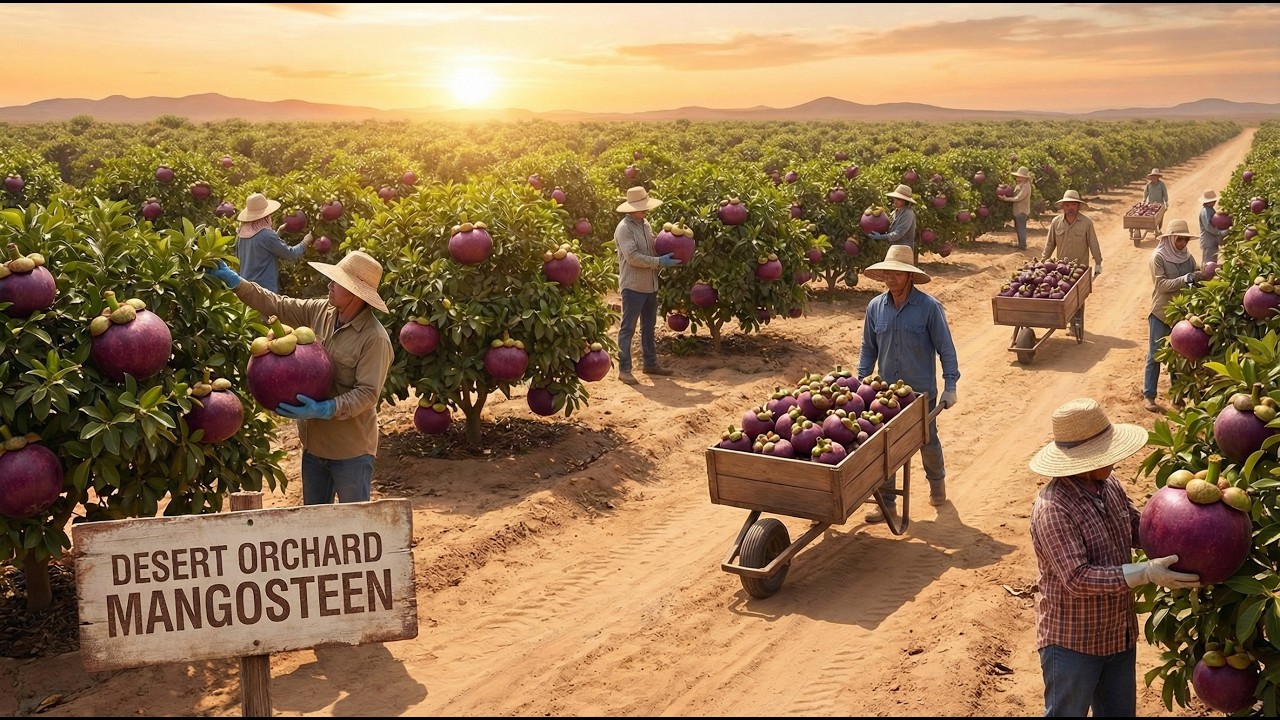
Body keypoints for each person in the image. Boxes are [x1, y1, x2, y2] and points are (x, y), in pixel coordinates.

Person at [1029, 397, 1199, 717]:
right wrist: (1145, 573)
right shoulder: (1053, 509)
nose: (1115, 461)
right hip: (1072, 643)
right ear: (1081, 460)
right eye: (1105, 455)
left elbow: (1139, 530)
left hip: (1118, 634)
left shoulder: (1110, 486)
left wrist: (1189, 523)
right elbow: (1078, 578)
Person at [207, 249, 393, 505]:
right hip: (313, 447)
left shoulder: (375, 338)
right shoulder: (321, 311)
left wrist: (324, 409)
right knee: (314, 527)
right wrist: (238, 283)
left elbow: (367, 394)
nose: (329, 285)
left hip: (350, 452)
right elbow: (279, 304)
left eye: (336, 282)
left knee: (355, 527)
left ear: (354, 293)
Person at [856, 245, 959, 522]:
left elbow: (945, 349)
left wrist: (951, 386)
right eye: (887, 273)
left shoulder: (929, 308)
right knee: (884, 447)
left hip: (920, 393)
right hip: (884, 393)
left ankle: (937, 486)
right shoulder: (875, 307)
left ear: (909, 276)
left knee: (927, 440)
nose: (891, 278)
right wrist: (859, 383)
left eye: (897, 274)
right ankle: (886, 502)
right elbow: (868, 349)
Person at [614, 185, 681, 385]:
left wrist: (673, 245)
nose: (646, 211)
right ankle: (624, 369)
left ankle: (650, 364)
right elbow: (632, 257)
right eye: (642, 207)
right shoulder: (624, 229)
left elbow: (653, 247)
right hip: (633, 286)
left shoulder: (645, 224)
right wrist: (659, 262)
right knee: (628, 328)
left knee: (649, 327)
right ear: (630, 208)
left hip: (650, 285)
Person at [1143, 220, 1202, 413]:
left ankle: (1176, 398)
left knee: (1179, 354)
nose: (1183, 243)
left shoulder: (1187, 256)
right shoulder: (1158, 257)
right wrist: (1185, 279)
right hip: (1161, 312)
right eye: (1180, 240)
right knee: (1155, 354)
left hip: (1182, 313)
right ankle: (1149, 395)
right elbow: (1161, 285)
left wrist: (1205, 274)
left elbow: (1197, 272)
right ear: (1170, 239)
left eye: (1185, 240)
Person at [1043, 189, 1103, 336]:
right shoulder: (1056, 222)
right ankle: (1067, 321)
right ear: (1063, 206)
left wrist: (1098, 262)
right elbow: (1050, 244)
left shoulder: (1086, 223)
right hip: (1060, 269)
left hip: (1079, 269)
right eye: (1067, 204)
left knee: (1078, 299)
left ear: (1078, 206)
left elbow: (1093, 243)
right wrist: (1043, 262)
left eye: (1073, 205)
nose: (1070, 207)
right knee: (1062, 296)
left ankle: (1076, 324)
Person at [235, 192, 313, 293]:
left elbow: (261, 249)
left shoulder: (241, 234)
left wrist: (278, 233)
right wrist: (305, 242)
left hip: (246, 288)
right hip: (263, 292)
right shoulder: (266, 235)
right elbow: (290, 254)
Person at [866, 184, 918, 264]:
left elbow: (898, 234)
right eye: (895, 198)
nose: (895, 201)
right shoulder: (895, 212)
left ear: (905, 201)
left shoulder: (908, 214)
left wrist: (881, 237)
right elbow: (888, 228)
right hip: (893, 251)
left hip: (903, 252)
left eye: (899, 199)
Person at [998, 166, 1033, 250]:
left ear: (1024, 177)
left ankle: (1022, 245)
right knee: (1018, 227)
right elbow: (1013, 193)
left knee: (1021, 228)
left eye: (1019, 176)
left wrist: (1006, 199)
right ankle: (1020, 243)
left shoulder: (1026, 186)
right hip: (1017, 210)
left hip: (1022, 211)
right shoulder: (1020, 185)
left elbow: (1018, 198)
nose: (1017, 178)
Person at [1198, 189, 1229, 266]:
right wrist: (1220, 233)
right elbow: (1208, 226)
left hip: (1212, 240)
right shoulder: (1205, 211)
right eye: (1213, 201)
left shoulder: (1210, 210)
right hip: (1208, 241)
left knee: (1212, 261)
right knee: (1208, 262)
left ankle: (1209, 275)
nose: (1214, 202)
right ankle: (1206, 276)